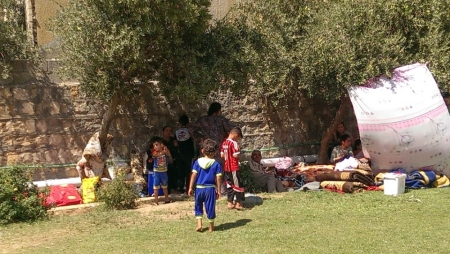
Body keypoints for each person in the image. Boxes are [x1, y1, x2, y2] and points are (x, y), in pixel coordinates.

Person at [188, 139, 222, 232]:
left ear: (202, 150)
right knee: (210, 207)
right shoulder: (216, 164)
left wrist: (190, 187)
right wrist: (219, 190)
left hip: (199, 188)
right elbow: (218, 178)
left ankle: (199, 224)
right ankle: (211, 227)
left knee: (198, 206)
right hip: (210, 189)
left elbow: (193, 175)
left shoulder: (197, 162)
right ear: (215, 151)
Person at [220, 127, 245, 210]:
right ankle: (238, 203)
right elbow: (235, 155)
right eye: (238, 138)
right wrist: (238, 149)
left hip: (226, 168)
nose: (237, 139)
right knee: (237, 185)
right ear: (236, 135)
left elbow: (222, 155)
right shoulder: (233, 143)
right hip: (233, 167)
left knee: (229, 185)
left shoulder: (224, 143)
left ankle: (230, 203)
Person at [175, 114, 196, 193]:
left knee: (180, 172)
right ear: (188, 123)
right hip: (189, 153)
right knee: (188, 172)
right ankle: (188, 188)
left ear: (179, 123)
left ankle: (180, 188)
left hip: (180, 154)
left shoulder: (177, 132)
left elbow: (175, 144)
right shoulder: (190, 132)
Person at [150, 136, 173, 205]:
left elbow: (170, 160)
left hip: (164, 171)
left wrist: (168, 153)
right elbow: (156, 155)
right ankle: (156, 201)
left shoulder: (165, 151)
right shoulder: (154, 152)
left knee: (165, 186)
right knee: (156, 187)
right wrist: (164, 151)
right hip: (157, 171)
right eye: (154, 145)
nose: (155, 147)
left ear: (161, 145)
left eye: (157, 145)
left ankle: (166, 199)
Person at [162, 125, 179, 194]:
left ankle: (173, 188)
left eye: (170, 131)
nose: (168, 132)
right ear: (163, 132)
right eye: (167, 130)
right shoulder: (161, 142)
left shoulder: (173, 140)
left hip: (173, 160)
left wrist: (176, 146)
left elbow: (176, 151)